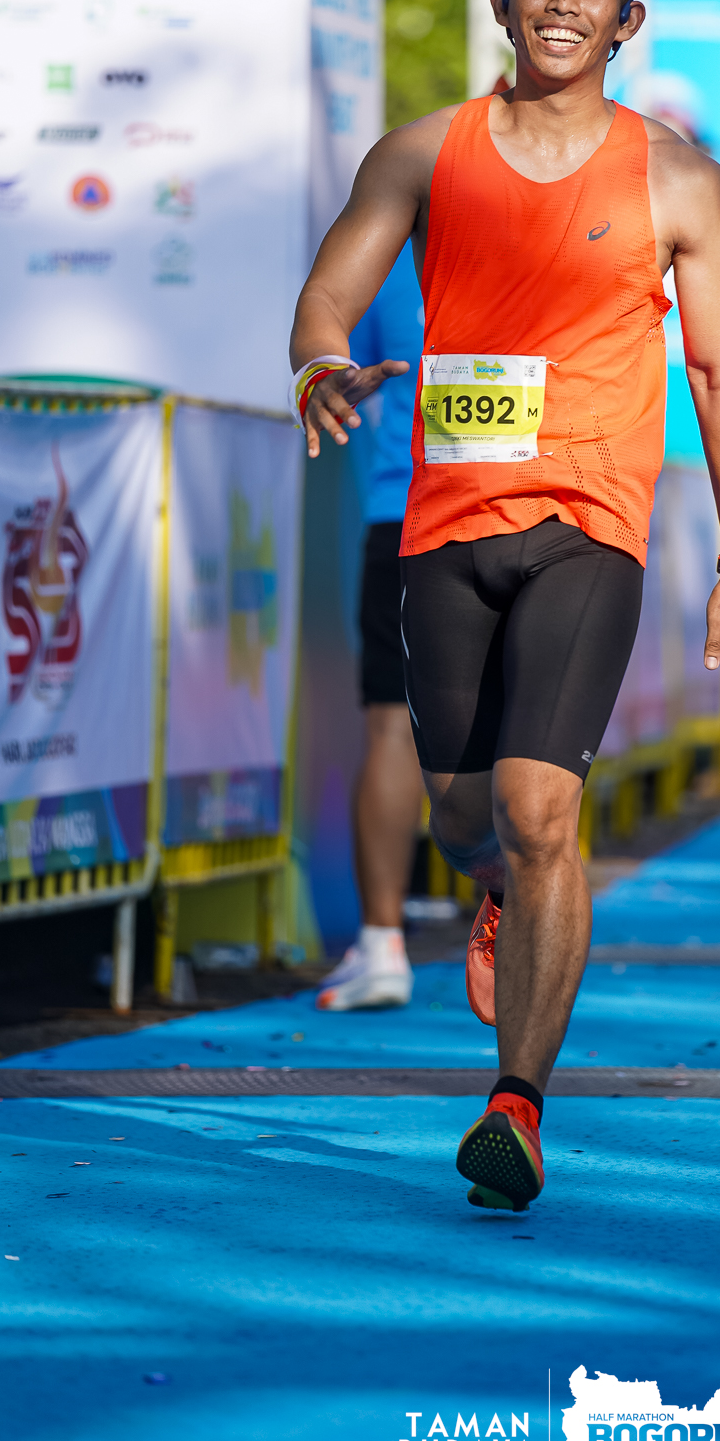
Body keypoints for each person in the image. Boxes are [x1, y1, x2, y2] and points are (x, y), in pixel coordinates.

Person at [288, 0, 720, 1211]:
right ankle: (500, 892)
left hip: (589, 530)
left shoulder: (683, 184)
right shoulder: (422, 155)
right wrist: (319, 362)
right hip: (443, 527)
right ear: (503, 3)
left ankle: (517, 1104)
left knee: (543, 809)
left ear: (628, 22)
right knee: (465, 819)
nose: (565, 4)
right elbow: (328, 294)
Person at [315, 245, 425, 1011]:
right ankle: (522, 925)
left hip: (408, 511)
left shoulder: (398, 247)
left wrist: (328, 376)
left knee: (393, 728)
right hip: (531, 517)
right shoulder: (564, 226)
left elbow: (333, 354)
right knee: (522, 737)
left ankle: (383, 945)